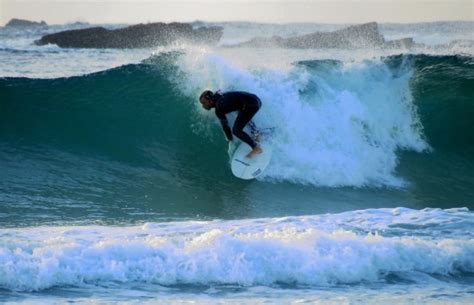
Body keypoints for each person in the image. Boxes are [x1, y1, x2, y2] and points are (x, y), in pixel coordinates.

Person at [199, 90, 263, 159]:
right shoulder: (220, 95)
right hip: (256, 100)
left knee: (236, 130)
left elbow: (225, 126)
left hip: (251, 105)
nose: (203, 106)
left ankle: (256, 148)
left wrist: (230, 140)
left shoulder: (219, 108)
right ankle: (257, 133)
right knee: (240, 112)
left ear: (210, 101)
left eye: (204, 103)